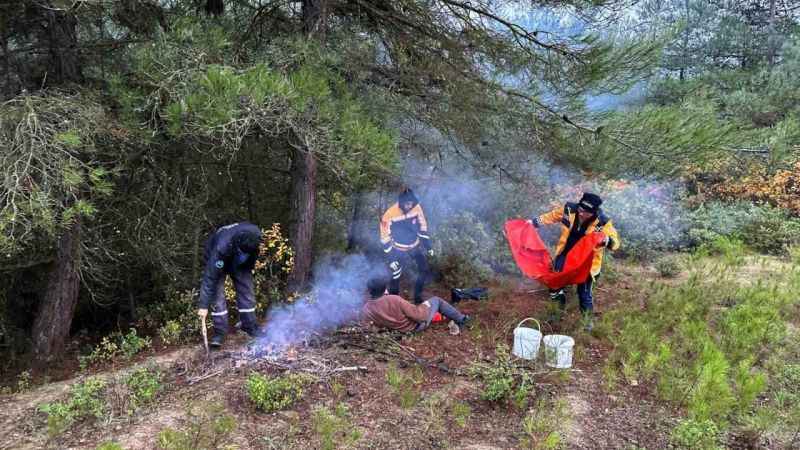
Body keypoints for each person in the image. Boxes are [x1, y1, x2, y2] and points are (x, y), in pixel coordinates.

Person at [529, 192, 620, 330]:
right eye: (581, 210)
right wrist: (533, 223)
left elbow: (615, 242)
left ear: (594, 212)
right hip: (564, 255)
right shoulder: (569, 209)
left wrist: (607, 241)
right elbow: (551, 216)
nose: (582, 214)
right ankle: (557, 313)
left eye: (587, 213)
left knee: (584, 293)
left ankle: (587, 322)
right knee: (554, 284)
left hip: (586, 264)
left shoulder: (602, 222)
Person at [197, 222, 264, 347]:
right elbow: (210, 277)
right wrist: (203, 305)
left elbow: (252, 259)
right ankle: (220, 332)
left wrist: (245, 265)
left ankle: (249, 326)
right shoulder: (220, 248)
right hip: (219, 258)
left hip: (237, 261)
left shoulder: (254, 238)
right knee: (217, 295)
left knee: (246, 289)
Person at [380, 188, 433, 304]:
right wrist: (391, 259)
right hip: (398, 249)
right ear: (401, 203)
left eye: (411, 204)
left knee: (424, 270)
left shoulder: (416, 208)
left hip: (415, 246)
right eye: (407, 204)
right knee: (396, 274)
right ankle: (394, 302)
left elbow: (422, 226)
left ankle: (418, 298)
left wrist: (428, 246)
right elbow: (384, 238)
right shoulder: (389, 214)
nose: (409, 206)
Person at [362, 277, 471, 333]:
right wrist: (425, 309)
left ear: (369, 291)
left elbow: (374, 325)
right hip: (414, 328)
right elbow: (419, 316)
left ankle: (446, 316)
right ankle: (462, 319)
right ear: (384, 288)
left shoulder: (366, 308)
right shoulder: (394, 299)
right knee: (436, 300)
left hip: (393, 332)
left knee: (426, 306)